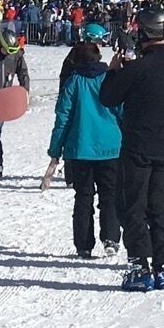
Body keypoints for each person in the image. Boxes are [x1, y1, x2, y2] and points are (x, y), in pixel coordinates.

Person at [99, 5, 164, 291]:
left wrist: (114, 72)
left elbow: (109, 98)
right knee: (157, 203)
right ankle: (163, 262)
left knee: (133, 206)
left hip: (138, 145)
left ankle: (140, 265)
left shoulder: (138, 68)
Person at [45, 22, 124, 260]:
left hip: (79, 148)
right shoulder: (110, 79)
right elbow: (122, 111)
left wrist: (55, 150)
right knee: (109, 196)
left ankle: (83, 244)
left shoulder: (73, 82)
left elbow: (63, 118)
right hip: (110, 147)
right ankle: (111, 238)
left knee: (83, 198)